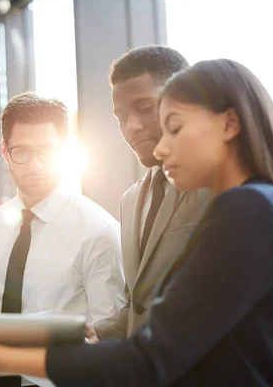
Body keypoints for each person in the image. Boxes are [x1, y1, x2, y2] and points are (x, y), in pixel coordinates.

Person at [0, 58, 273, 387]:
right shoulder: (271, 207)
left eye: (175, 127)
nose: (162, 145)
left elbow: (151, 359)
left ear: (229, 123)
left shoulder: (250, 211)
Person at [0, 92, 126, 386]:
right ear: (4, 151)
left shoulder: (99, 231)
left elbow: (109, 343)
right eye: (21, 152)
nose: (35, 165)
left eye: (47, 151)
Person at [90, 46, 210, 340]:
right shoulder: (130, 201)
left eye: (145, 107)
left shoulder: (220, 187)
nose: (131, 127)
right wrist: (96, 333)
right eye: (121, 117)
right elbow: (138, 308)